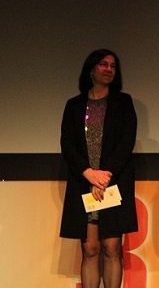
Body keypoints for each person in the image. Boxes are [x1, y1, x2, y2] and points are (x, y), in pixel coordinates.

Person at [59, 49, 138, 288]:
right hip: (84, 183)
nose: (108, 70)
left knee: (112, 247)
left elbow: (126, 142)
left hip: (111, 183)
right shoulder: (74, 106)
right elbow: (67, 143)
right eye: (103, 65)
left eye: (113, 66)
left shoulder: (123, 103)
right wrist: (88, 173)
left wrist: (104, 176)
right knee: (90, 249)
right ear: (91, 70)